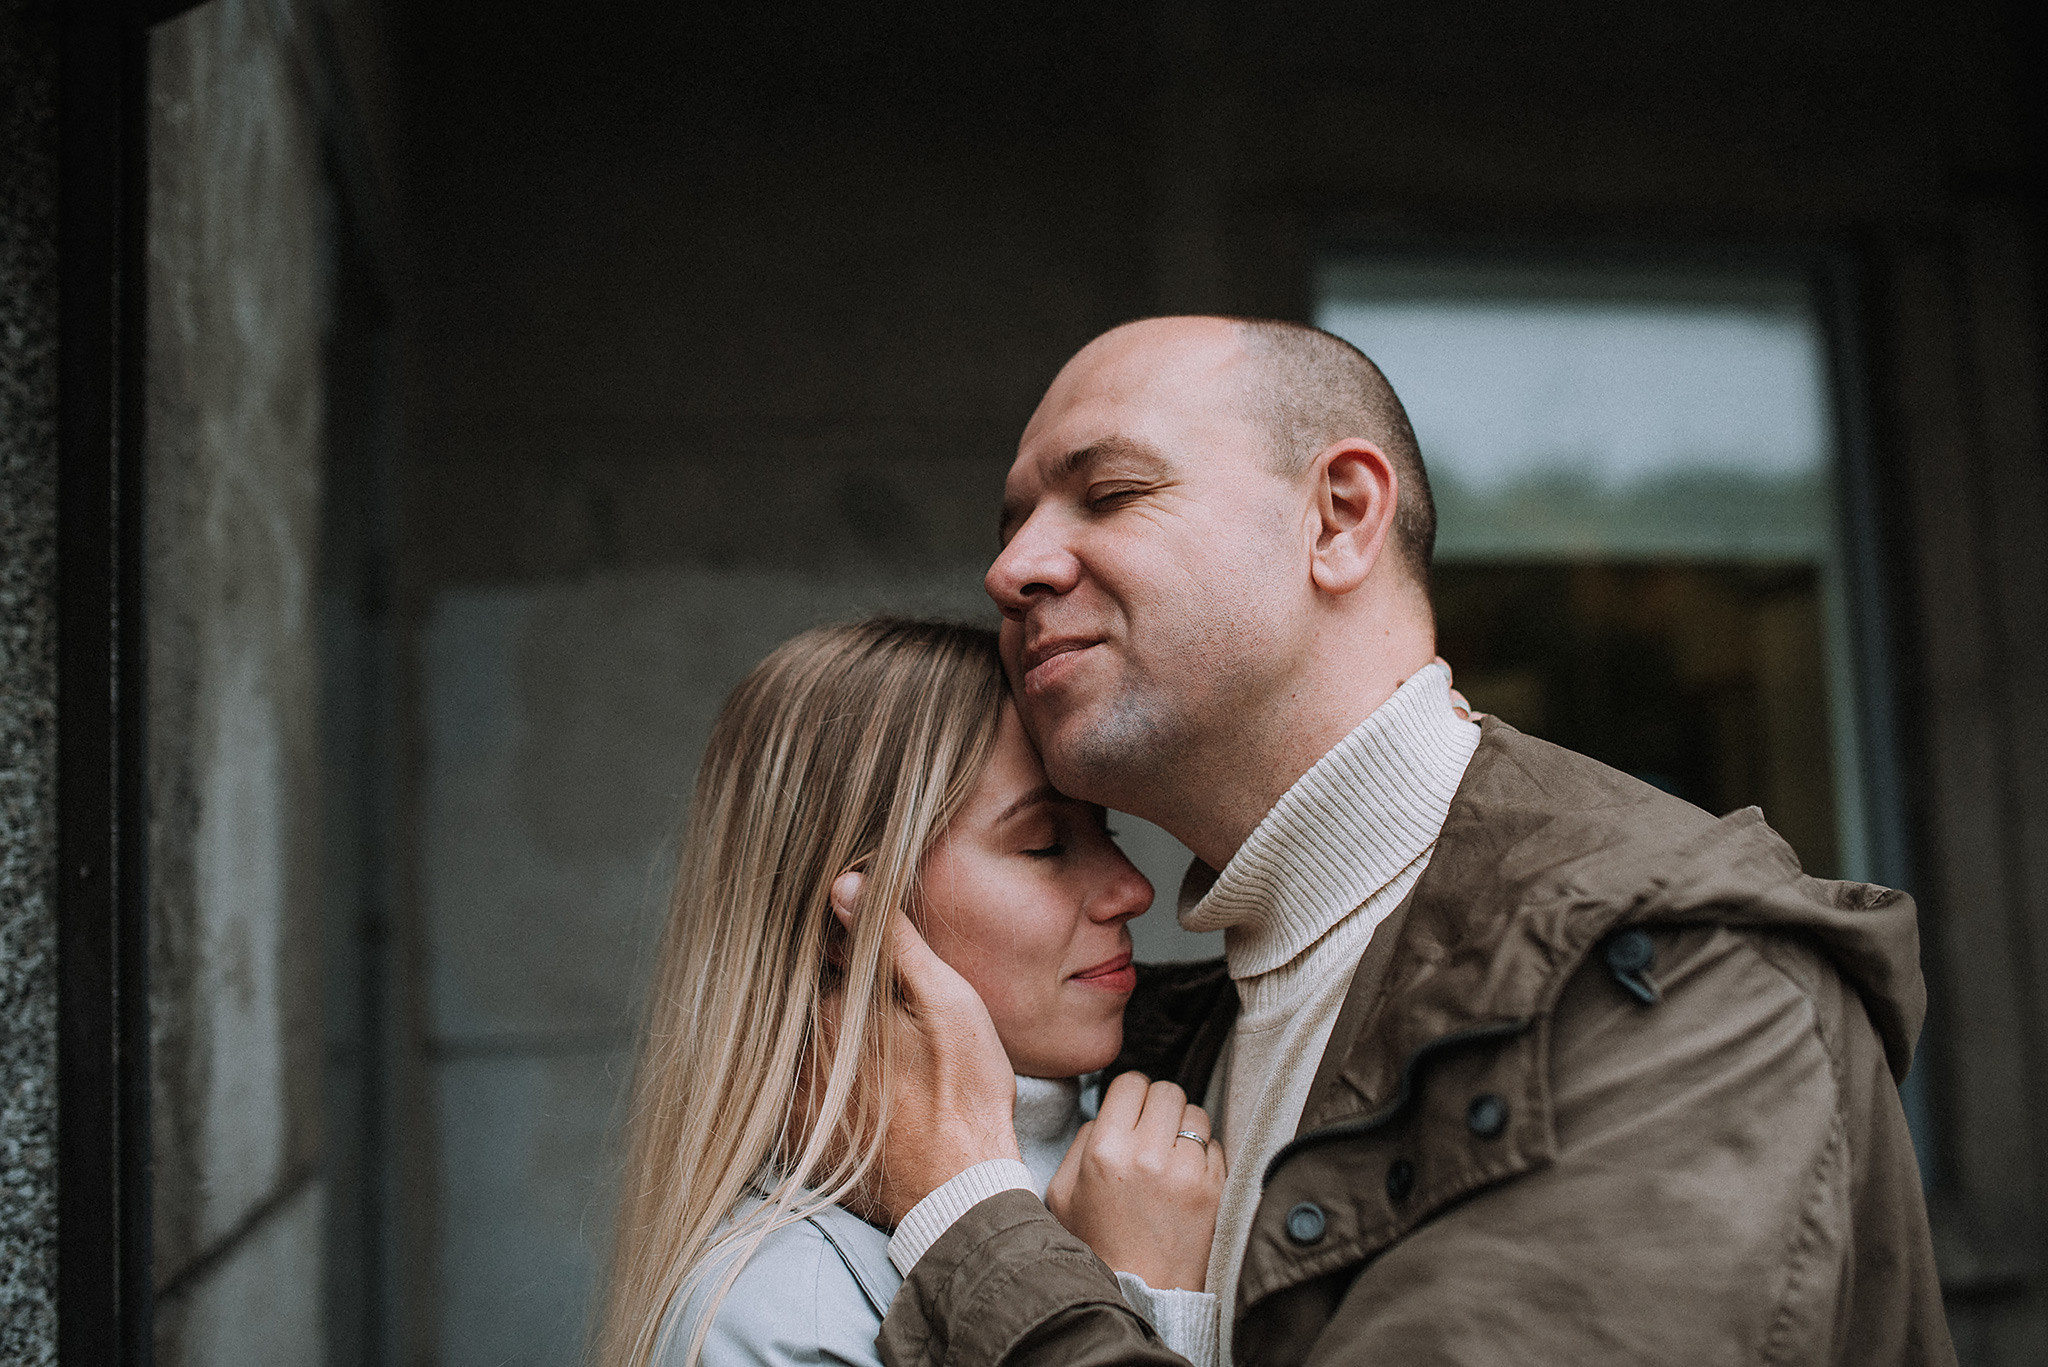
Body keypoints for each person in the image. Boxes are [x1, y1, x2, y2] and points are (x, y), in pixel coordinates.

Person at [864, 317, 1956, 1366]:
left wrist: (972, 1222)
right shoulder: (1170, 1035)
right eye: (1009, 527)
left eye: (1109, 493)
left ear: (1338, 516)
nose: (1014, 572)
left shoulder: (1676, 978)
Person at [590, 618, 1228, 1367]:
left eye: (1108, 833)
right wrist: (1143, 1307)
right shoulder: (780, 1320)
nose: (1134, 888)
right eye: (1046, 843)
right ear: (852, 925)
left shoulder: (1151, 1160)